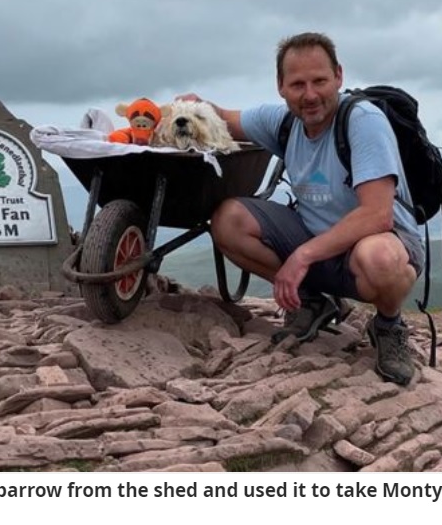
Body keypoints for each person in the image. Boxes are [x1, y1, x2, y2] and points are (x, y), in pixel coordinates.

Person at [182, 32, 425, 385]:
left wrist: (303, 256)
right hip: (318, 242)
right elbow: (222, 117)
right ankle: (312, 302)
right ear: (281, 86)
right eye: (297, 84)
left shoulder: (363, 121)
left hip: (378, 243)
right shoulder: (282, 121)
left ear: (339, 77)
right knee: (227, 220)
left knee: (381, 259)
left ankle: (388, 324)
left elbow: (377, 215)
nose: (310, 95)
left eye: (320, 81)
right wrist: (193, 107)